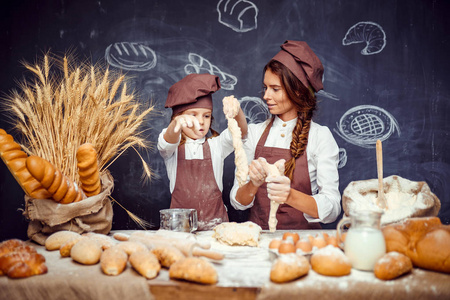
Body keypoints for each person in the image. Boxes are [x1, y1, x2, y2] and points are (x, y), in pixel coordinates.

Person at [230, 40, 341, 230]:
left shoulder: (320, 137)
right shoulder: (254, 133)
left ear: (296, 90)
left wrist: (289, 195)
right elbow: (237, 201)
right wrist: (253, 184)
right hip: (259, 240)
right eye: (265, 88)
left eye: (275, 89)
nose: (265, 96)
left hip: (303, 242)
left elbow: (332, 209)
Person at [158, 73, 248, 230]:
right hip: (180, 229)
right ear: (178, 117)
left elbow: (241, 132)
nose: (200, 121)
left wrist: (237, 110)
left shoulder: (216, 146)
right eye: (193, 115)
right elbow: (167, 141)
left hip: (216, 228)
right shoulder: (172, 150)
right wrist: (175, 124)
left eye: (206, 116)